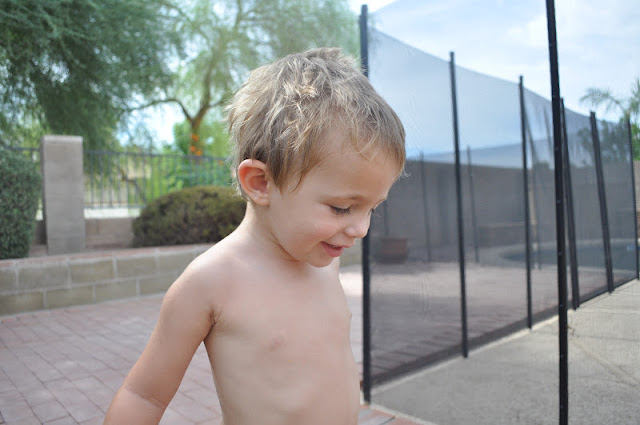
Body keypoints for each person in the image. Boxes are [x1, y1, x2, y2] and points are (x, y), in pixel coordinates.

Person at [104, 47, 405, 425]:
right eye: (342, 208)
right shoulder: (211, 281)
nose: (361, 229)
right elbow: (143, 395)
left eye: (372, 209)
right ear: (261, 183)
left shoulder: (323, 260)